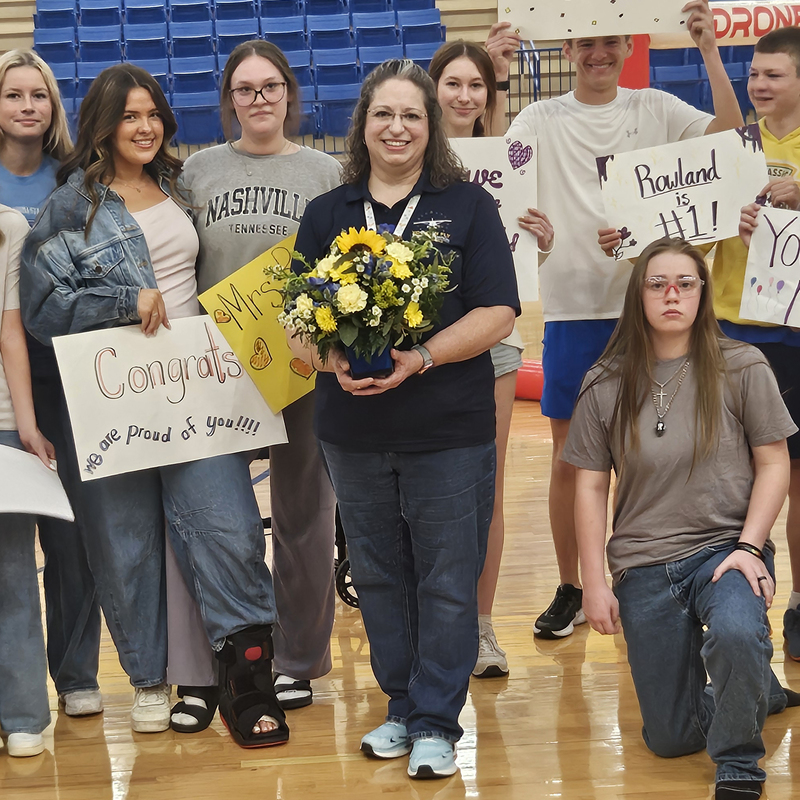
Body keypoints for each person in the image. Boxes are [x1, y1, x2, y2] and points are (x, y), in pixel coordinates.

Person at [20, 63, 289, 748]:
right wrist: (119, 301)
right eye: (129, 116)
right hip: (112, 402)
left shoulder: (179, 184)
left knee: (227, 527)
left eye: (153, 114)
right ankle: (147, 679)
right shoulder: (69, 205)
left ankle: (246, 676)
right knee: (124, 542)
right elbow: (42, 312)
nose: (144, 127)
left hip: (195, 388)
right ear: (102, 126)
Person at [290, 59, 519, 779]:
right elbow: (298, 325)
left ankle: (436, 723)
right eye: (383, 115)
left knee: (447, 578)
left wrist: (418, 359)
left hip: (447, 428)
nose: (396, 128)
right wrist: (330, 363)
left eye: (411, 116)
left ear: (433, 126)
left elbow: (497, 312)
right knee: (381, 576)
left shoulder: (469, 207)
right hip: (352, 431)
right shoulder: (329, 214)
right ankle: (400, 706)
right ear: (363, 125)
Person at [505, 0, 744, 639]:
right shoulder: (539, 118)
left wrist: (710, 53)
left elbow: (730, 140)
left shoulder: (656, 108)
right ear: (566, 52)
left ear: (627, 48)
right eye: (585, 44)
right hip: (575, 312)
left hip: (653, 311)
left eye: (609, 42)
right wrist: (497, 77)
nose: (598, 54)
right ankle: (573, 586)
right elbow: (501, 179)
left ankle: (655, 579)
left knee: (663, 455)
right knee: (571, 461)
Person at [563, 237, 798, 800]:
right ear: (638, 295)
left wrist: (750, 546)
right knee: (669, 738)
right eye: (657, 284)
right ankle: (754, 691)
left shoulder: (743, 366)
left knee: (739, 630)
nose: (672, 295)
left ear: (702, 294)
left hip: (726, 548)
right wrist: (592, 584)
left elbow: (774, 464)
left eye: (685, 284)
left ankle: (740, 765)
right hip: (644, 564)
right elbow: (590, 487)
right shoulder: (605, 383)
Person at [172, 39, 341, 729]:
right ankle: (203, 665)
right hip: (216, 370)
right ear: (229, 101)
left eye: (270, 87)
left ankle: (298, 659)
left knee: (304, 516)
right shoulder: (197, 171)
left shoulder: (326, 170)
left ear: (289, 94)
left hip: (301, 370)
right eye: (245, 89)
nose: (259, 99)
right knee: (206, 522)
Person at [429, 33, 553, 678]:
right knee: (421, 496)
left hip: (496, 350)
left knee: (489, 494)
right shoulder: (409, 158)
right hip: (420, 351)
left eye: (477, 85)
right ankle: (430, 628)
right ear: (432, 89)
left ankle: (480, 628)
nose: (465, 94)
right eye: (453, 82)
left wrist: (543, 241)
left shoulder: (510, 161)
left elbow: (522, 263)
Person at [0, 48, 103, 718]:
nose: (27, 107)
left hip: (68, 368)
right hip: (6, 380)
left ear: (54, 106)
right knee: (11, 542)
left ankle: (75, 674)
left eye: (38, 95)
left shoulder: (76, 176)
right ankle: (15, 687)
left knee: (73, 531)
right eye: (13, 96)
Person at [712, 26, 800, 661]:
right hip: (733, 334)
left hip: (795, 332)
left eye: (774, 74)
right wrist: (726, 218)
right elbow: (683, 230)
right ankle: (741, 614)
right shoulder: (730, 148)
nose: (759, 84)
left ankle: (799, 605)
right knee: (738, 485)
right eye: (755, 73)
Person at [0, 204, 56, 757]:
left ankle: (22, 714)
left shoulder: (9, 226)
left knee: (13, 574)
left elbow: (11, 335)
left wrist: (27, 426)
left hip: (0, 427)